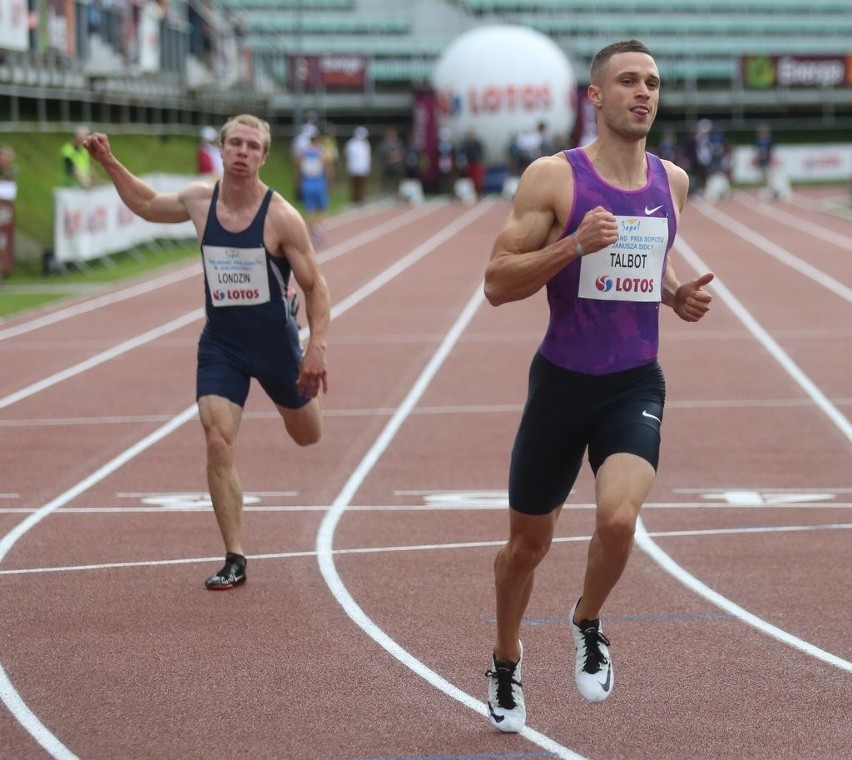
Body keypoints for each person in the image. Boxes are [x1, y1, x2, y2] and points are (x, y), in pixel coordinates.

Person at [483, 39, 714, 731]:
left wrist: (674, 297)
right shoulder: (553, 179)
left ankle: (587, 621)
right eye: (628, 81)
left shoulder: (671, 181)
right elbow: (496, 283)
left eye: (652, 83)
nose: (643, 92)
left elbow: (641, 268)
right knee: (526, 547)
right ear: (596, 96)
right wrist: (570, 245)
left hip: (633, 383)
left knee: (618, 519)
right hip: (560, 384)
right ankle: (504, 658)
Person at [84, 114, 331, 590]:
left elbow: (316, 286)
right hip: (223, 345)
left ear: (263, 156)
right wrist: (109, 162)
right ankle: (234, 556)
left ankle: (297, 381)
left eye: (252, 146)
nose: (242, 151)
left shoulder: (281, 217)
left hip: (277, 345)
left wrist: (315, 346)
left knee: (308, 435)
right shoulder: (200, 200)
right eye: (234, 143)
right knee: (218, 441)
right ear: (221, 150)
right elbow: (147, 204)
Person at [298, 128, 333, 244]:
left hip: (307, 183)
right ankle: (319, 230)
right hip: (319, 183)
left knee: (309, 210)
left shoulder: (303, 153)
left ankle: (313, 232)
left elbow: (299, 170)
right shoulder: (322, 153)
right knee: (321, 209)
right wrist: (329, 183)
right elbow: (328, 169)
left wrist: (300, 183)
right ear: (317, 139)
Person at [343, 126, 371, 204]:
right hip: (353, 167)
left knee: (362, 184)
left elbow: (367, 157)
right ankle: (354, 198)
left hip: (363, 167)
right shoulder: (351, 143)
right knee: (353, 184)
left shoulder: (366, 144)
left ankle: (360, 198)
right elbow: (347, 155)